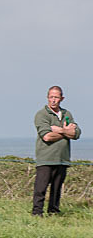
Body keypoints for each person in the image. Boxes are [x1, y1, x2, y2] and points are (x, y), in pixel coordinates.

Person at [32, 86, 81, 216]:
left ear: (62, 98)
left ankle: (53, 212)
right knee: (40, 188)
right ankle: (37, 213)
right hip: (46, 158)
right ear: (47, 98)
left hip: (62, 159)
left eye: (56, 97)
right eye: (51, 97)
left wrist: (60, 130)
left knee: (57, 188)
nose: (53, 100)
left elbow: (76, 133)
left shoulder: (67, 114)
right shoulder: (41, 114)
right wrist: (67, 132)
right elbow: (47, 136)